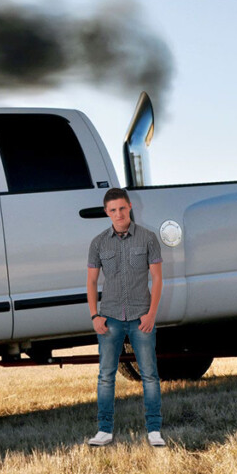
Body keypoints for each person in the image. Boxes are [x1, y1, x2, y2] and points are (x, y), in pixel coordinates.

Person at [86, 187, 165, 447]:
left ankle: (154, 430)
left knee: (150, 375)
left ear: (129, 206)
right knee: (106, 376)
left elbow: (157, 278)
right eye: (112, 210)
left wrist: (152, 314)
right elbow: (91, 281)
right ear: (106, 212)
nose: (118, 214)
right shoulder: (98, 243)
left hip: (141, 317)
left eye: (122, 208)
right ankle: (104, 430)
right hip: (109, 319)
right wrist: (95, 316)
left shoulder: (148, 238)